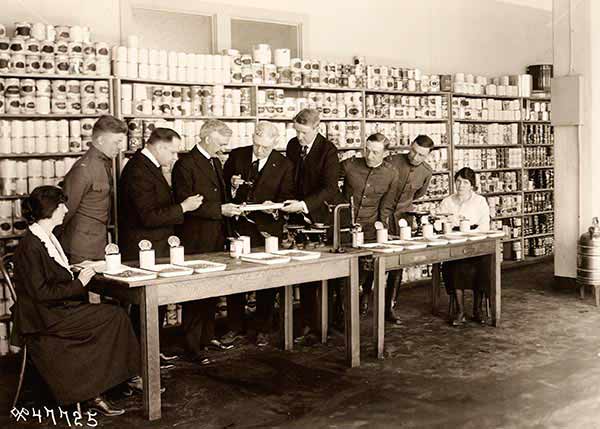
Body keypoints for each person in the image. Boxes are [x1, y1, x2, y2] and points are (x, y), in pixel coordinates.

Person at [12, 186, 141, 416]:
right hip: (44, 317)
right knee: (115, 316)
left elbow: (48, 276)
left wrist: (76, 270)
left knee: (112, 312)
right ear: (50, 209)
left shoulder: (45, 237)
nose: (66, 209)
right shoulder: (31, 245)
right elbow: (41, 292)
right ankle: (101, 388)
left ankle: (114, 381)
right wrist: (79, 282)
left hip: (53, 310)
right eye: (62, 205)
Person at [118, 128, 203, 364]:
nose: (175, 158)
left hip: (155, 246)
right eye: (173, 152)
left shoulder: (148, 167)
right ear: (160, 147)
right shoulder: (139, 171)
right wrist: (183, 208)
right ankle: (141, 360)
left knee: (154, 306)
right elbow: (148, 216)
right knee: (144, 307)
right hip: (145, 249)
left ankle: (150, 353)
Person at [172, 119, 242, 363]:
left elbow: (216, 195)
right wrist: (220, 210)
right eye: (221, 143)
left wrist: (230, 194)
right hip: (196, 237)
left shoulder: (214, 161)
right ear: (207, 138)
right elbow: (186, 204)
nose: (224, 148)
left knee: (212, 289)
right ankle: (192, 347)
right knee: (195, 291)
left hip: (215, 235)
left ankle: (207, 336)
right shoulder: (186, 164)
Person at [223, 121, 295, 347]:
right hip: (238, 227)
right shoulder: (237, 155)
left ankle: (263, 327)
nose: (259, 150)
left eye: (264, 147)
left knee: (267, 279)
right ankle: (235, 326)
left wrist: (274, 205)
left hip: (266, 229)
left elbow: (287, 197)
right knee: (235, 277)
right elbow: (222, 188)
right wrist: (233, 187)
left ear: (275, 144)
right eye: (256, 145)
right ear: (253, 138)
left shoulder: (284, 165)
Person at [281, 108, 341, 343]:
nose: (299, 137)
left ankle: (323, 325)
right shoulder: (293, 146)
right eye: (296, 131)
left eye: (303, 133)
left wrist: (304, 205)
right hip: (297, 215)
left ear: (317, 127)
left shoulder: (328, 151)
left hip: (321, 215)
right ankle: (308, 323)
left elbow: (330, 188)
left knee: (324, 276)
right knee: (304, 273)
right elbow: (290, 177)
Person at [341, 133, 399, 314]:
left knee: (367, 268)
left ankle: (365, 296)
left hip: (371, 226)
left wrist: (383, 228)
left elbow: (387, 205)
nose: (369, 155)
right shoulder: (349, 165)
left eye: (375, 152)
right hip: (346, 226)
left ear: (385, 154)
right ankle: (341, 309)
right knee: (343, 269)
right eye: (367, 150)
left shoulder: (391, 173)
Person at [60, 115, 127, 263]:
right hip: (81, 248)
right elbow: (65, 211)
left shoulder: (104, 163)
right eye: (117, 142)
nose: (120, 147)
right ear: (101, 140)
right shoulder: (84, 169)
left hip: (97, 245)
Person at [384, 135, 434, 324]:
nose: (414, 156)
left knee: (397, 265)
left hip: (403, 221)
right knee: (371, 261)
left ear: (427, 155)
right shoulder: (392, 161)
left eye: (421, 155)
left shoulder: (426, 172)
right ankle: (364, 300)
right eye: (413, 150)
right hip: (381, 216)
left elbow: (418, 194)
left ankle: (389, 307)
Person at [437, 167, 491, 326]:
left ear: (472, 185)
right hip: (454, 245)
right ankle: (460, 311)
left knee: (483, 265)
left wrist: (471, 235)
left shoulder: (479, 201)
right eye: (458, 181)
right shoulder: (447, 201)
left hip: (476, 244)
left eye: (465, 182)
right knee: (454, 266)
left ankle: (477, 309)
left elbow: (484, 225)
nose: (461, 185)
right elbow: (440, 222)